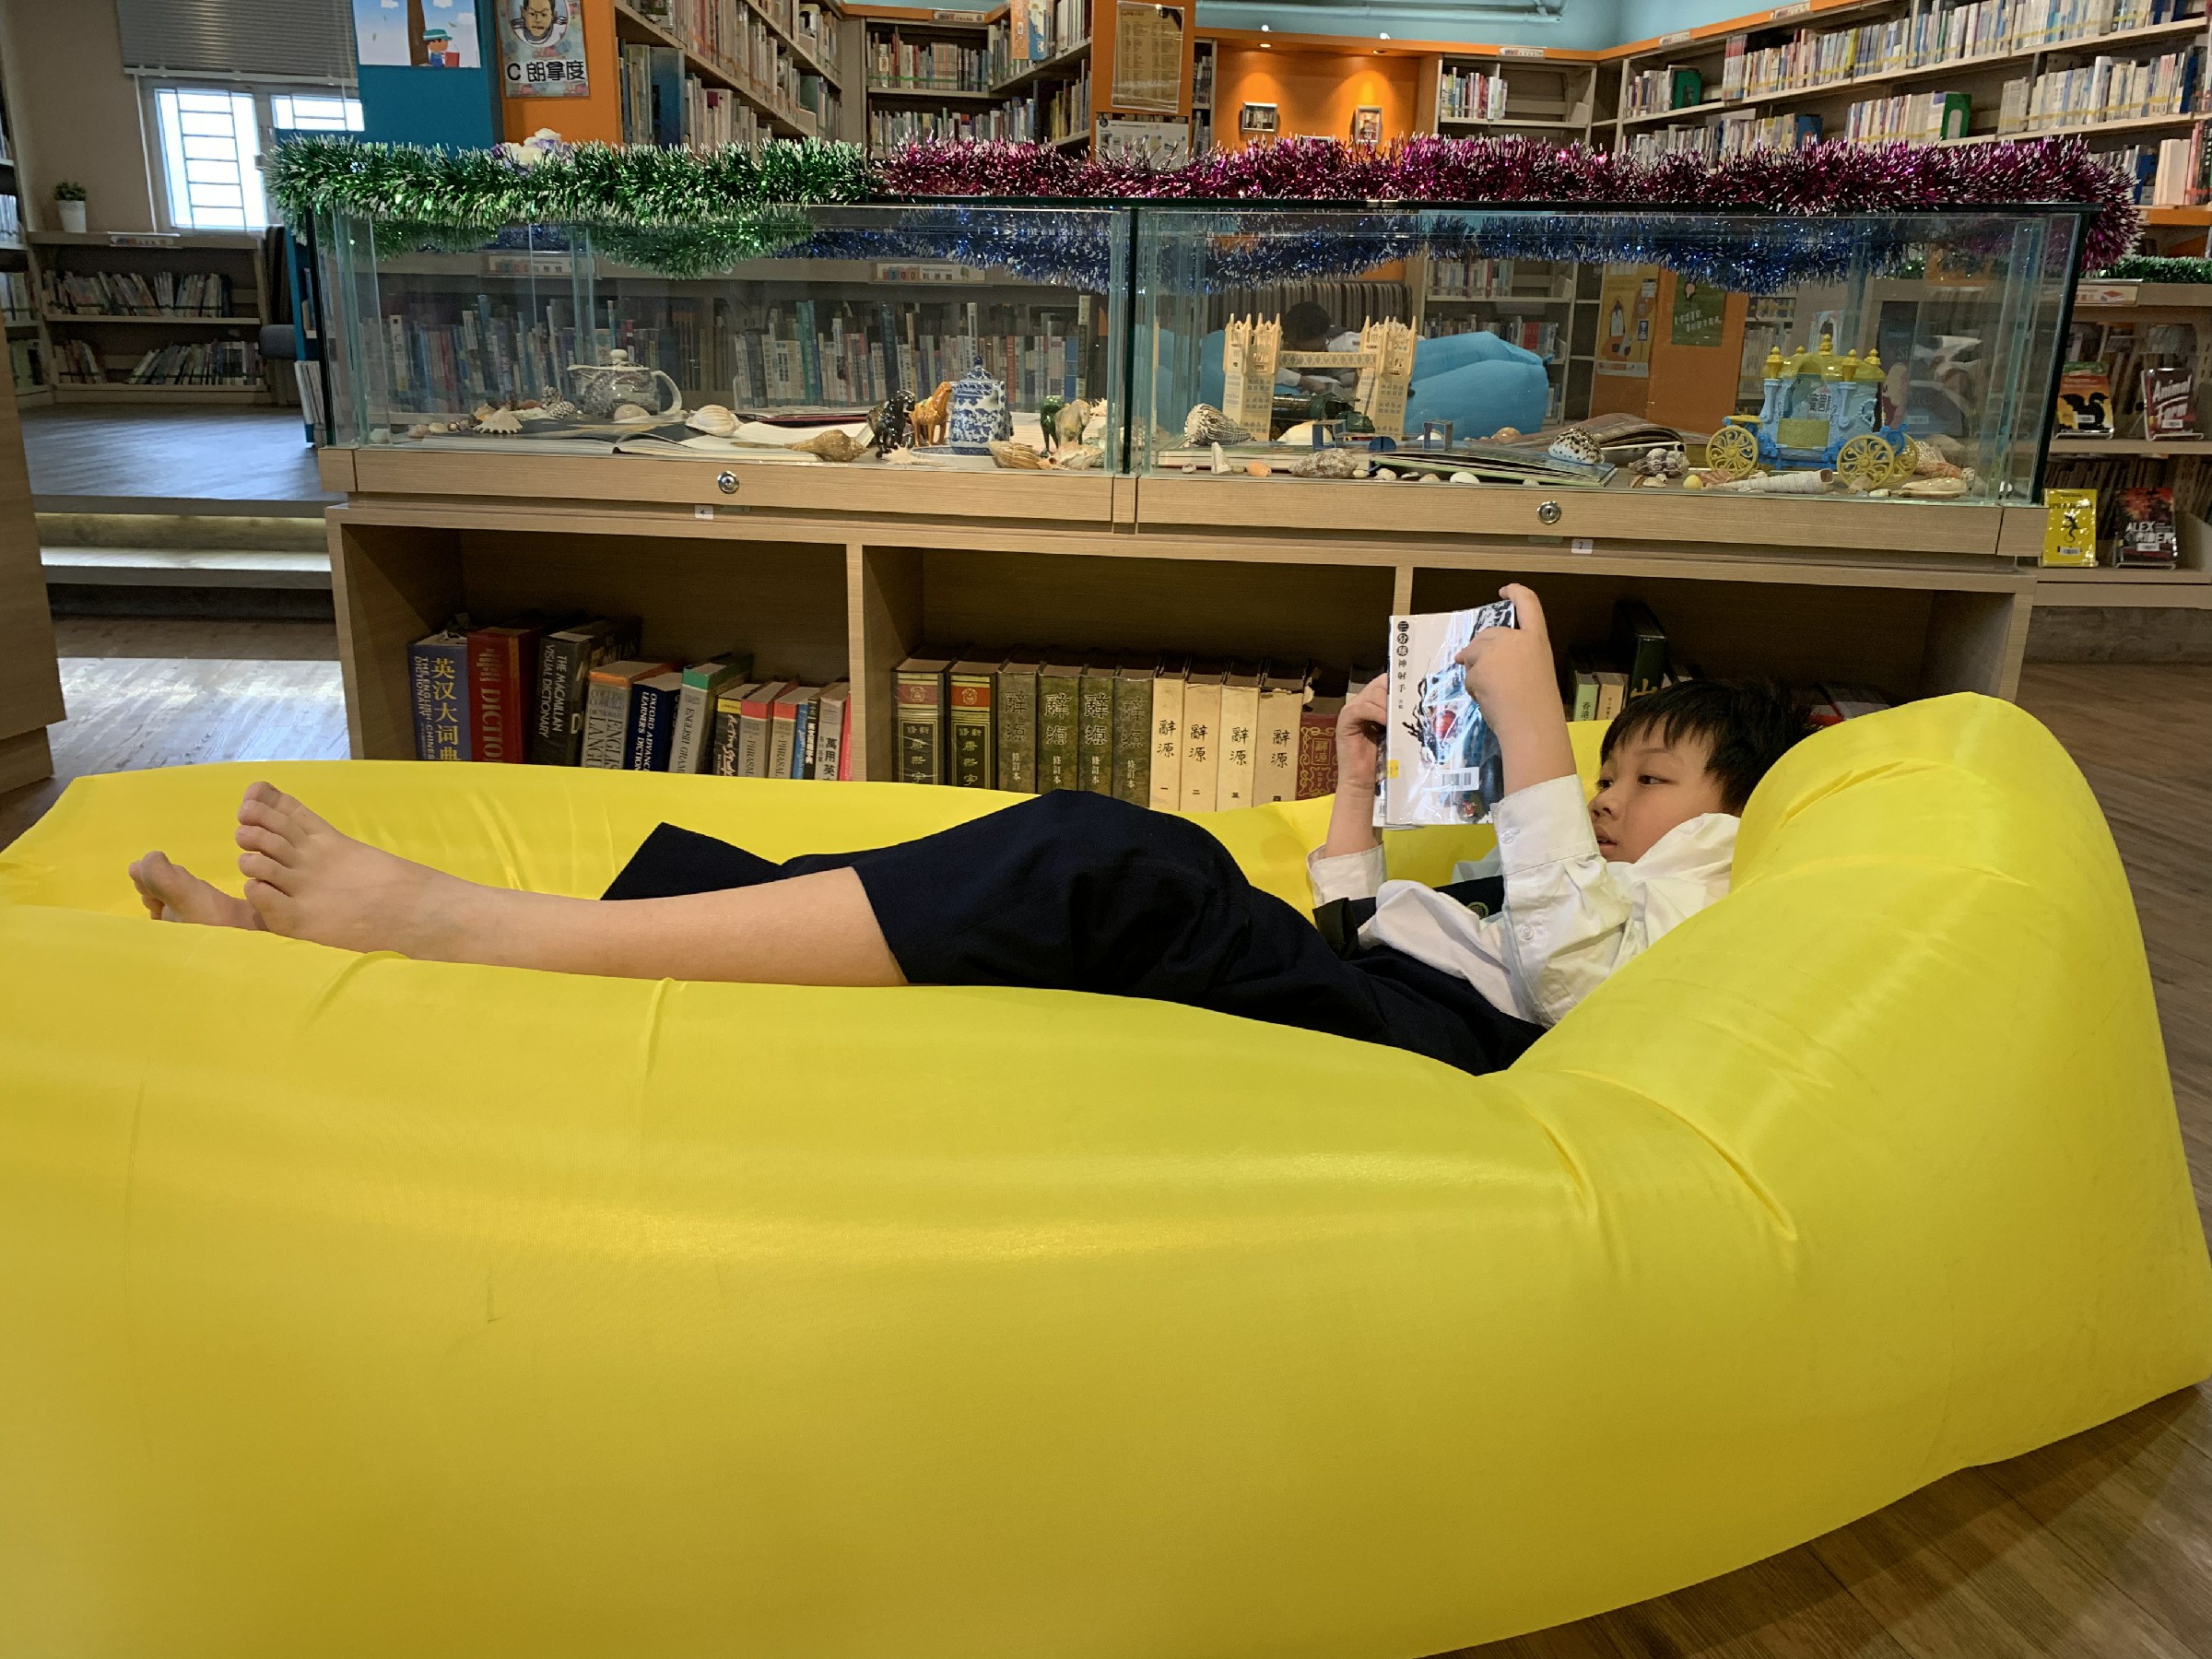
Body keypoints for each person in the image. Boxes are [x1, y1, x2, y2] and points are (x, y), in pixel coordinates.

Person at [127, 587, 1806, 1077]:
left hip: (1435, 1046)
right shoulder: (1591, 865)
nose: (1606, 798)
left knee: (1105, 857)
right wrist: (1358, 787)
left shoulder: (1711, 885)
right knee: (1155, 854)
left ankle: (466, 935)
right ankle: (469, 939)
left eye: (1646, 780)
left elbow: (1576, 987)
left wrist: (1534, 723)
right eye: (1606, 772)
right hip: (1371, 985)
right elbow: (1376, 931)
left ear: (1724, 813)